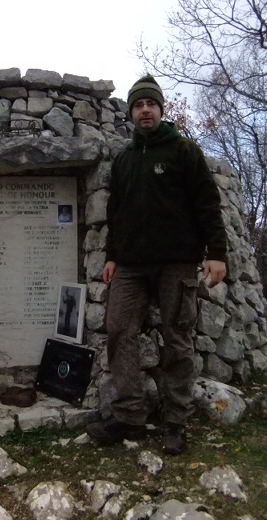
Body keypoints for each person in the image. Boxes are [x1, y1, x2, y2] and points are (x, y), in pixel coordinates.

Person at [86, 74, 227, 455]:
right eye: (138, 105)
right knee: (118, 330)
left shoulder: (183, 151)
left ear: (161, 109)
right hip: (131, 265)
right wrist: (113, 255)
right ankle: (128, 414)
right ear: (131, 112)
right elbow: (117, 212)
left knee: (178, 339)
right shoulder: (126, 159)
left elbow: (207, 204)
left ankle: (175, 422)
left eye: (151, 104)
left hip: (177, 263)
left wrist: (217, 252)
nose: (145, 110)